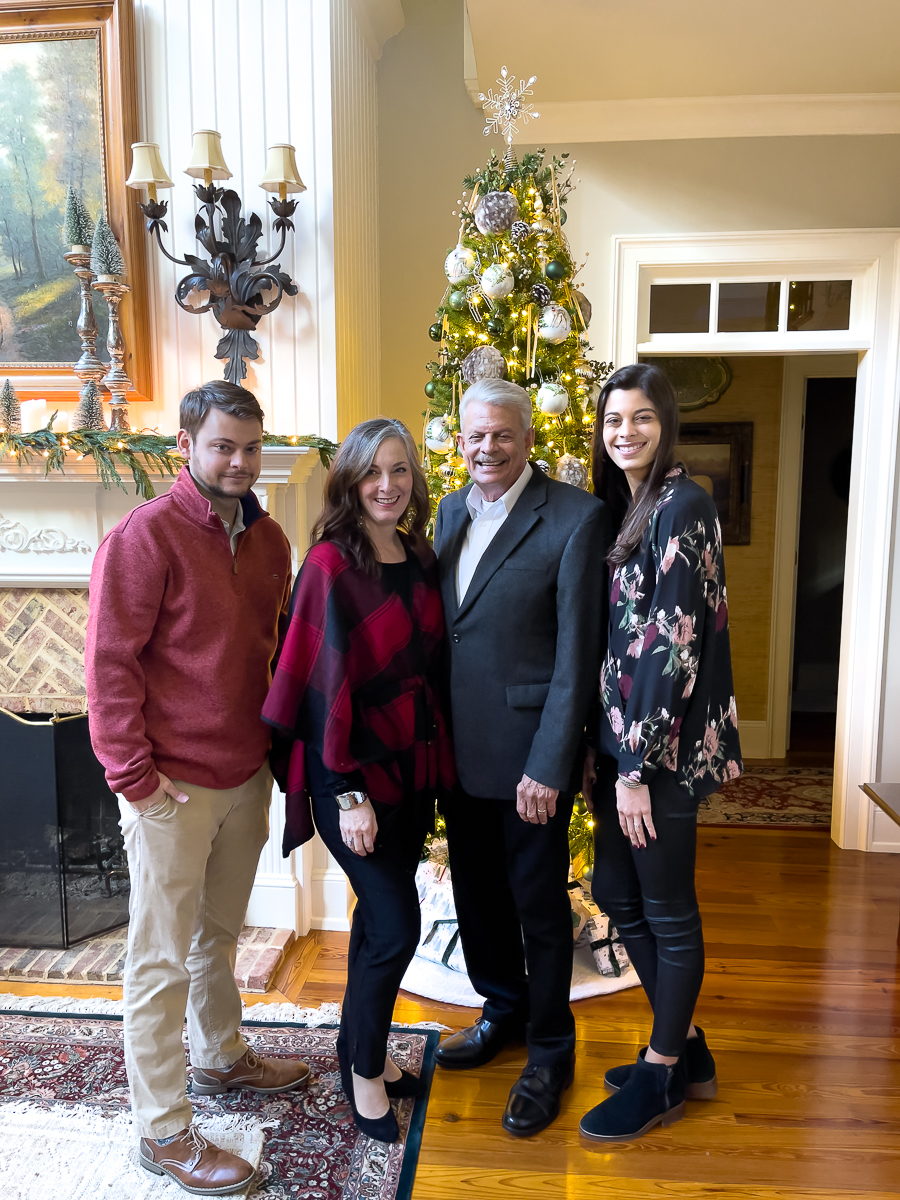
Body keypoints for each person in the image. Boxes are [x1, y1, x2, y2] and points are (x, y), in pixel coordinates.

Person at [85, 381, 310, 1196]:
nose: (239, 462)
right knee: (157, 960)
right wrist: (136, 783)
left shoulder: (274, 541)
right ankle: (164, 1132)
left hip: (244, 774)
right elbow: (108, 669)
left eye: (250, 447)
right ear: (186, 444)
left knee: (214, 936)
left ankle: (219, 1058)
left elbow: (273, 653)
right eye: (223, 446)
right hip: (169, 788)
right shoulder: (145, 538)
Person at [262, 417, 455, 1144]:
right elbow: (316, 691)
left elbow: (431, 669)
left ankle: (353, 1044)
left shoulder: (419, 555)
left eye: (400, 470)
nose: (387, 484)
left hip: (413, 771)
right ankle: (365, 1069)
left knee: (377, 921)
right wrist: (347, 796)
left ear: (414, 479)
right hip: (351, 779)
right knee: (396, 926)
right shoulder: (329, 565)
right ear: (350, 479)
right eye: (373, 471)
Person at [432, 377, 611, 1137]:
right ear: (460, 439)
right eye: (475, 435)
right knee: (477, 898)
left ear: (529, 439)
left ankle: (550, 1054)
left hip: (527, 760)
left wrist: (549, 764)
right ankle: (500, 1009)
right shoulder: (446, 510)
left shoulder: (575, 518)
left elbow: (578, 658)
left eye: (502, 434)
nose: (487, 448)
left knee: (540, 909)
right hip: (456, 755)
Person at [579, 362, 742, 1142]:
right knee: (617, 890)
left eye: (641, 418)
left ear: (665, 424)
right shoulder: (631, 506)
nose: (626, 433)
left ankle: (662, 1071)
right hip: (624, 751)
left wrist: (637, 769)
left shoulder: (685, 506)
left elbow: (669, 651)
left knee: (669, 913)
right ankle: (687, 1052)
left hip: (659, 757)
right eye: (614, 420)